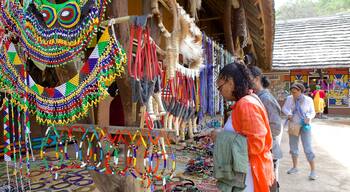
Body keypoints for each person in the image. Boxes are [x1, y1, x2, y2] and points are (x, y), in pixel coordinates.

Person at [215, 62, 274, 192]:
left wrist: (221, 137)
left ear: (230, 82)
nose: (220, 93)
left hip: (249, 176)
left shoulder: (246, 104)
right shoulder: (248, 100)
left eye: (220, 88)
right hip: (246, 171)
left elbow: (256, 144)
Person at [249, 66, 282, 192]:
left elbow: (276, 128)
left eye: (248, 79)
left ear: (256, 79)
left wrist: (257, 139)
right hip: (263, 149)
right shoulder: (258, 97)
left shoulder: (265, 99)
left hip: (268, 150)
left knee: (268, 184)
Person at [282, 83, 316, 180]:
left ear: (301, 91)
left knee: (308, 148)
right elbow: (284, 108)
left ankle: (313, 171)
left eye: (295, 92)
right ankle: (295, 167)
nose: (293, 94)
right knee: (293, 147)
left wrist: (308, 117)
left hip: (305, 126)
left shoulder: (308, 100)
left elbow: (313, 112)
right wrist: (288, 114)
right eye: (292, 92)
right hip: (294, 125)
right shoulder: (289, 98)